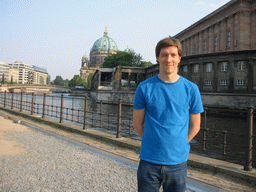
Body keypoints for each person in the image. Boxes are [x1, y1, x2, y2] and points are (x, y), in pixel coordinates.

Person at [133, 36, 204, 192]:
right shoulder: (144, 88)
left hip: (177, 164)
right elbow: (137, 124)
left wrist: (179, 144)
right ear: (157, 58)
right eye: (164, 54)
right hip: (148, 162)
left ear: (179, 58)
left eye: (173, 55)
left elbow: (196, 125)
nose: (168, 59)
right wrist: (153, 143)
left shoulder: (191, 89)